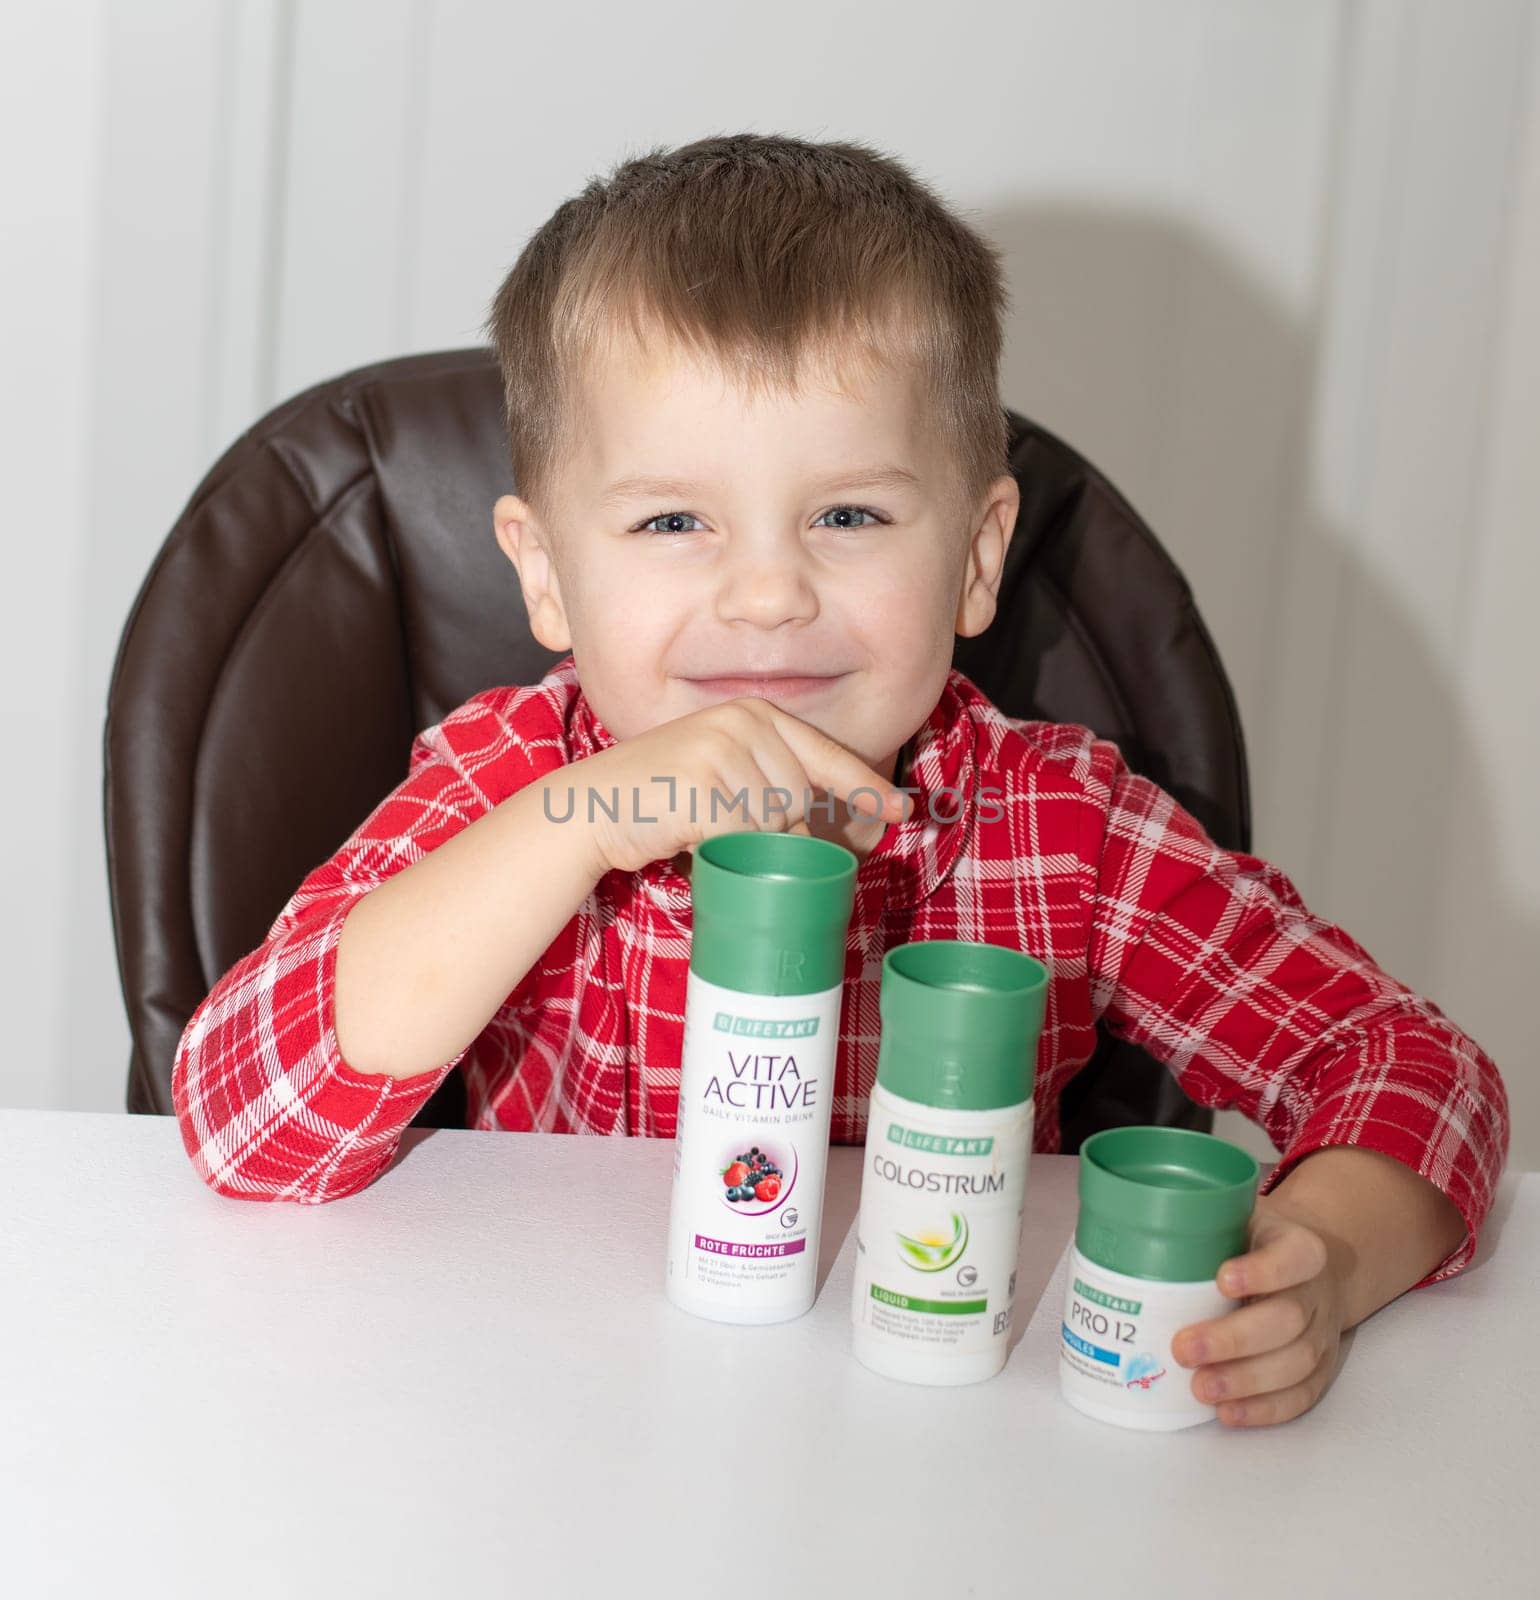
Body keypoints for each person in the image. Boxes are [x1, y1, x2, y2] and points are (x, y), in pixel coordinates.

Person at [172, 132, 1508, 1428]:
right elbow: (242, 1122)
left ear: (980, 555)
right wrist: (575, 830)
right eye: (673, 522)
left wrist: (1326, 1264)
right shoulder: (515, 779)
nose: (766, 594)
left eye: (850, 516)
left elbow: (1409, 1064)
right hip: (551, 1418)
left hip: (929, 1427)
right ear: (543, 573)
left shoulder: (1064, 830)